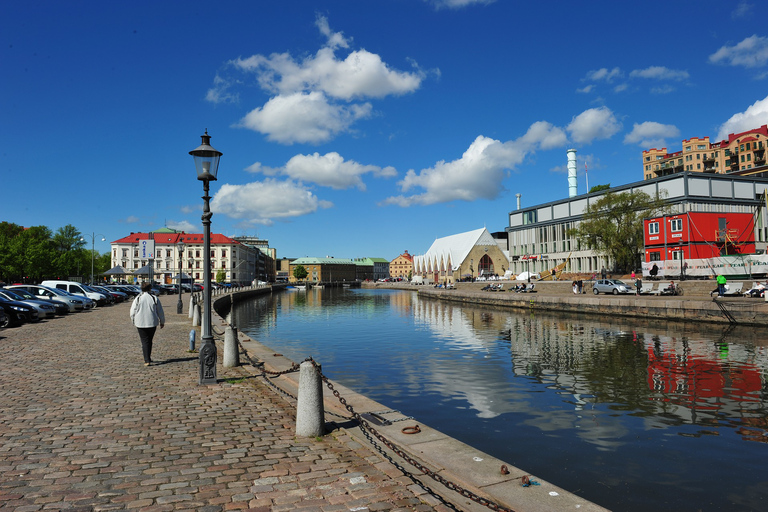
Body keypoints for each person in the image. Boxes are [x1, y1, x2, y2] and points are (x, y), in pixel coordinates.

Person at [130, 282, 165, 366]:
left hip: (140, 322)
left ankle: (147, 359)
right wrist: (162, 321)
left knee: (144, 341)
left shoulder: (138, 298)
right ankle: (148, 357)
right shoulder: (154, 298)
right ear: (150, 288)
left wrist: (133, 320)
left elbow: (132, 311)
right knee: (149, 340)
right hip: (152, 322)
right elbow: (160, 311)